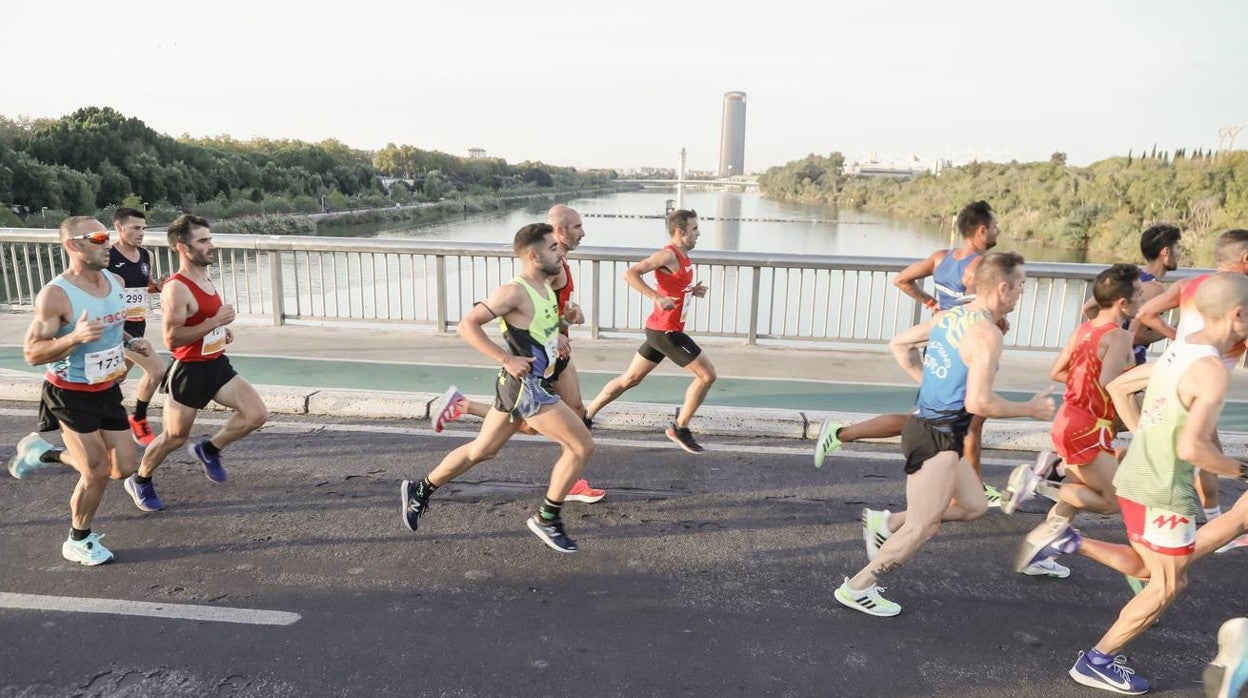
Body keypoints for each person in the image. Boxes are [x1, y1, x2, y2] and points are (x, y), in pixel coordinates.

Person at [1017, 272, 1248, 695]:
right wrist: (1241, 469)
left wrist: (1145, 434)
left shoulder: (1180, 350)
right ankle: (1096, 661)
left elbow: (1122, 387)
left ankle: (1068, 540)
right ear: (1237, 315)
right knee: (1167, 586)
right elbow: (1193, 449)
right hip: (1164, 489)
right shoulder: (1213, 371)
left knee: (1148, 567)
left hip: (1136, 478)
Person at [834, 252, 1054, 617]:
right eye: (1021, 286)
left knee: (973, 506)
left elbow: (900, 344)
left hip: (939, 434)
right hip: (935, 437)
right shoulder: (986, 335)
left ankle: (887, 523)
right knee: (923, 526)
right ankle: (858, 587)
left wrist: (928, 384)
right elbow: (980, 401)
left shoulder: (951, 316)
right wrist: (1028, 410)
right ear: (1003, 288)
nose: (1021, 294)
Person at [401, 223, 595, 553]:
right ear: (533, 256)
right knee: (581, 446)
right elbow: (467, 325)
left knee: (483, 450)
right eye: (552, 248)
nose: (560, 252)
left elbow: (537, 331)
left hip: (526, 384)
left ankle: (420, 489)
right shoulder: (513, 291)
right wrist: (505, 358)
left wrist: (562, 329)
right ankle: (547, 517)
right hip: (525, 386)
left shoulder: (547, 287)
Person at [815, 200, 1003, 504]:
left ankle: (967, 489)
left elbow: (903, 280)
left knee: (960, 422)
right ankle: (840, 434)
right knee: (950, 422)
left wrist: (931, 302)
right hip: (963, 354)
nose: (998, 230)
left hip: (940, 348)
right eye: (995, 226)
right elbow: (983, 307)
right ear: (981, 230)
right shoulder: (981, 266)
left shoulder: (942, 257)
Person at [430, 205, 604, 503]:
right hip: (536, 365)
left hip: (550, 357)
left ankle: (461, 411)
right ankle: (558, 499)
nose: (582, 232)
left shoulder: (555, 268)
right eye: (576, 227)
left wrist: (565, 322)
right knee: (545, 427)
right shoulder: (545, 272)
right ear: (559, 233)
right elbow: (512, 313)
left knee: (567, 416)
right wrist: (513, 355)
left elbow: (550, 313)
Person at [15, 216, 154, 564]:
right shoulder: (56, 295)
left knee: (121, 468)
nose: (108, 244)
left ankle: (43, 454)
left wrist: (131, 341)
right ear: (73, 245)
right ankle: (78, 539)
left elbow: (112, 327)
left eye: (107, 236)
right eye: (98, 238)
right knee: (95, 471)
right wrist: (74, 337)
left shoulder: (115, 281)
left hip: (105, 388)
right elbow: (32, 352)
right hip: (69, 392)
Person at [1001, 265, 1143, 581]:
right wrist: (1137, 421)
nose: (1144, 300)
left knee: (1076, 491)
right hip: (1088, 429)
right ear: (1122, 302)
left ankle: (1040, 551)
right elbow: (1111, 383)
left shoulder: (1084, 329)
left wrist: (1088, 385)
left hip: (1069, 419)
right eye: (1140, 295)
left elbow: (1058, 371)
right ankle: (1038, 483)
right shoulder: (1119, 337)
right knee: (1109, 502)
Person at [122, 215, 268, 512]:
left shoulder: (205, 276)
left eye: (209, 238)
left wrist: (219, 330)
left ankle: (209, 449)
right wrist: (215, 321)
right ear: (182, 247)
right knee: (174, 437)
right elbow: (172, 339)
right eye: (202, 241)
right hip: (188, 370)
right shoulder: (176, 287)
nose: (210, 245)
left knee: (256, 415)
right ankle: (140, 479)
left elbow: (200, 320)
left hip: (216, 364)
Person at [1133, 229, 1248, 524]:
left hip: (1176, 373)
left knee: (1194, 451)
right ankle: (1213, 525)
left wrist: (1180, 339)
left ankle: (1210, 522)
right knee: (1202, 452)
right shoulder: (1240, 297)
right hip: (1206, 383)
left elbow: (1145, 313)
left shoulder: (1191, 284)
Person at [583, 209, 713, 453]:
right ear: (680, 232)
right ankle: (680, 428)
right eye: (694, 229)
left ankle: (586, 415)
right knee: (707, 376)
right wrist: (656, 297)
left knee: (630, 379)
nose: (699, 233)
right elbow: (630, 273)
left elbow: (674, 285)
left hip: (659, 330)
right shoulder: (668, 255)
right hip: (666, 332)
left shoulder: (683, 257)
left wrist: (691, 290)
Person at [109, 206, 168, 445]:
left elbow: (146, 286)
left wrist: (159, 286)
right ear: (119, 227)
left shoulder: (145, 255)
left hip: (138, 325)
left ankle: (99, 422)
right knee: (156, 371)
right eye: (135, 228)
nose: (141, 233)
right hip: (116, 329)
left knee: (116, 379)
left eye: (143, 228)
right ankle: (136, 418)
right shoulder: (108, 256)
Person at [1205, 617, 1248, 698]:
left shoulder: (1238, 623)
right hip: (1225, 678)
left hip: (1217, 672)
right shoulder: (1241, 627)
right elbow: (1236, 665)